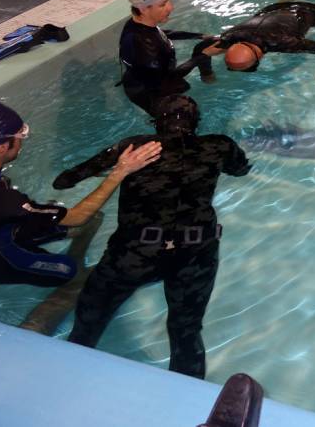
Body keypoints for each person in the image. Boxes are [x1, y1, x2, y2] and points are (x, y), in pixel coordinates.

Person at [53, 95, 250, 379]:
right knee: (186, 329)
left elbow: (64, 181)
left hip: (135, 252)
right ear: (196, 122)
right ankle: (186, 395)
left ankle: (65, 375)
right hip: (196, 251)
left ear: (155, 122)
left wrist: (115, 165)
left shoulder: (134, 146)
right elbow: (241, 169)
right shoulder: (219, 145)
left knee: (91, 317)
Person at [0, 100, 160, 289]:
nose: (22, 142)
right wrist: (121, 170)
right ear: (1, 147)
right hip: (0, 259)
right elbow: (78, 217)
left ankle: (71, 254)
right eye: (20, 137)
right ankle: (70, 288)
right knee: (70, 271)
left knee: (90, 220)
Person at [194, 0, 315, 84]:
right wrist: (206, 73)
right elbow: (201, 49)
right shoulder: (229, 36)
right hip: (271, 10)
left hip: (304, 11)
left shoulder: (285, 43)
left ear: (260, 57)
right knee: (274, 14)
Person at [119, 0, 215, 114]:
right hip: (152, 96)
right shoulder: (143, 48)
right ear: (143, 9)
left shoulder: (138, 25)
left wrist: (199, 36)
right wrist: (203, 55)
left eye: (168, 1)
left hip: (147, 81)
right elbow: (166, 79)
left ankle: (207, 76)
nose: (171, 8)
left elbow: (160, 33)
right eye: (163, 4)